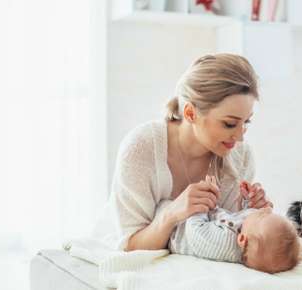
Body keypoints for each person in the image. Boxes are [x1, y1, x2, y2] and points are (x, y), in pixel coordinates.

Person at [93, 53, 272, 251]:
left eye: (246, 122)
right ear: (190, 113)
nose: (240, 137)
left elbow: (230, 242)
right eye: (229, 124)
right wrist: (171, 214)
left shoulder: (241, 157)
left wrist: (254, 214)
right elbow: (130, 246)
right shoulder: (140, 150)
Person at [169, 176, 300, 273]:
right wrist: (247, 201)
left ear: (242, 239)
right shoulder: (248, 230)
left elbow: (195, 233)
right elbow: (237, 217)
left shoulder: (224, 243)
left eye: (263, 215)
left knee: (163, 207)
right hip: (190, 215)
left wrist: (203, 203)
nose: (266, 209)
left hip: (176, 228)